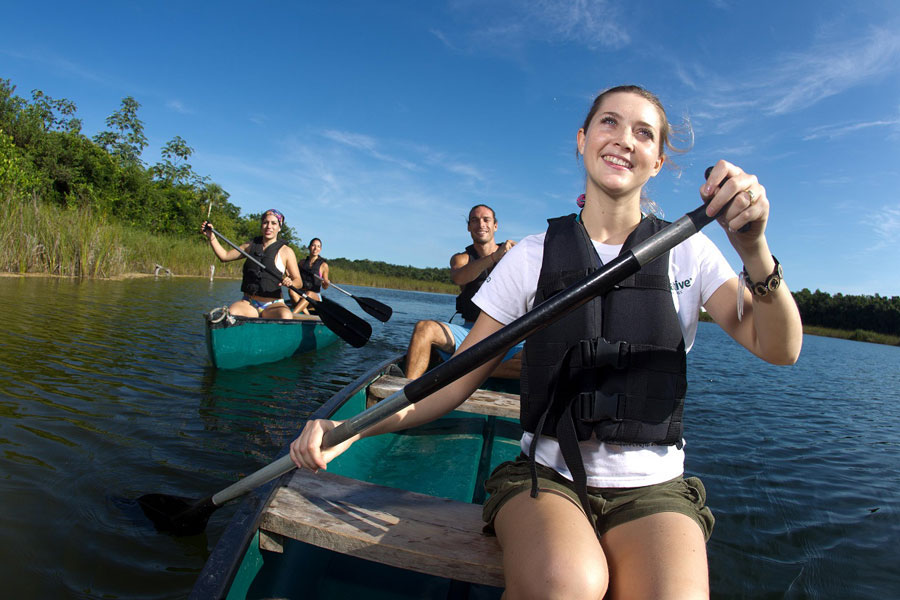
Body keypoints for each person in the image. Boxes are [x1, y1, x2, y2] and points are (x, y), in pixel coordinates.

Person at [289, 85, 803, 599]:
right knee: (570, 583)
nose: (624, 139)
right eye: (609, 123)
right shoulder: (531, 257)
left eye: (643, 132)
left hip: (654, 490)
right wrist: (353, 430)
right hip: (548, 478)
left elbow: (781, 348)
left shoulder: (690, 250)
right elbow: (452, 383)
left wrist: (753, 247)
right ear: (582, 140)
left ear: (658, 161)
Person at [404, 204, 522, 380]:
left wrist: (519, 255)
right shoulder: (462, 258)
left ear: (495, 226)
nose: (481, 224)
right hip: (470, 333)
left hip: (508, 334)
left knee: (543, 357)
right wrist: (494, 258)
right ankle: (404, 397)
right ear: (469, 227)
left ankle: (466, 367)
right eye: (475, 220)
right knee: (424, 328)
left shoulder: (514, 254)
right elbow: (459, 277)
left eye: (486, 220)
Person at [201, 209, 301, 320]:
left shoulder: (287, 251)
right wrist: (211, 237)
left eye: (273, 223)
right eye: (265, 222)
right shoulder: (249, 246)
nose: (269, 226)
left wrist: (290, 282)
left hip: (273, 305)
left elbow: (299, 282)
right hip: (249, 303)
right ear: (261, 225)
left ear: (279, 227)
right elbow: (224, 256)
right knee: (232, 312)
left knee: (286, 315)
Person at [292, 237, 330, 315]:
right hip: (302, 293)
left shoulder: (324, 265)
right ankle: (307, 314)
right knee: (291, 290)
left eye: (318, 246)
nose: (315, 248)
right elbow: (295, 278)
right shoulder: (302, 263)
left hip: (315, 296)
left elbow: (325, 287)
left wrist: (326, 283)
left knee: (309, 293)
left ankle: (293, 314)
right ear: (309, 247)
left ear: (320, 249)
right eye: (313, 245)